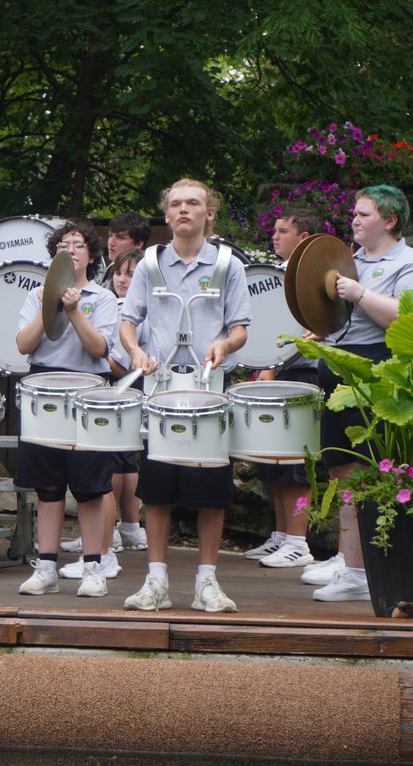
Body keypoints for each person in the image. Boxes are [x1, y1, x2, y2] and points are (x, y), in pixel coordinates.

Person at [119, 178, 250, 613]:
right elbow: (128, 322)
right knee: (157, 488)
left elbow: (240, 328)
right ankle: (156, 581)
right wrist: (136, 352)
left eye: (193, 203)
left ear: (209, 212)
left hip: (209, 390)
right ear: (167, 212)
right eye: (175, 203)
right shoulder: (149, 264)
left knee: (212, 488)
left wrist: (225, 346)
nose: (183, 210)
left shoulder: (228, 264)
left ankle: (206, 584)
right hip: (159, 389)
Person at [304, 185, 413, 601]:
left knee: (363, 473)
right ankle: (350, 563)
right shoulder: (349, 258)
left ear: (389, 221)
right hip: (336, 367)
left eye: (364, 214)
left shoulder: (405, 261)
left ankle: (360, 572)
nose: (354, 219)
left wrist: (361, 293)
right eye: (354, 213)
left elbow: (405, 319)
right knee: (338, 468)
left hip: (372, 371)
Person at [14, 220, 119, 598]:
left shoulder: (104, 299)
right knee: (49, 485)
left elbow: (99, 350)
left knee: (90, 486)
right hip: (44, 391)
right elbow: (24, 346)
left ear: (91, 256)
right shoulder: (36, 295)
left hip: (88, 392)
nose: (70, 249)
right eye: (63, 244)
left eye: (78, 244)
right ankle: (46, 566)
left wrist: (74, 311)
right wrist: (50, 305)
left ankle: (94, 567)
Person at [59, 247, 148, 577]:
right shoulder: (121, 307)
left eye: (131, 274)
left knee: (105, 477)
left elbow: (117, 362)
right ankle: (101, 545)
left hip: (116, 397)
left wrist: (85, 348)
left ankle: (105, 552)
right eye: (120, 274)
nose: (124, 280)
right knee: (103, 475)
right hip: (105, 396)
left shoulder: (129, 312)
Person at [243, 209, 321, 569]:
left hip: (300, 378)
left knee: (294, 465)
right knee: (272, 462)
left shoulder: (311, 277)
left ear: (303, 238)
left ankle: (298, 542)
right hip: (273, 377)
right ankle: (280, 536)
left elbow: (302, 337)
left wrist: (273, 367)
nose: (274, 236)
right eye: (274, 229)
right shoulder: (277, 276)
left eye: (283, 230)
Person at [104, 211, 151, 282]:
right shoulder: (111, 267)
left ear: (139, 244)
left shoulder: (147, 272)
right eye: (111, 235)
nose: (111, 242)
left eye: (120, 238)